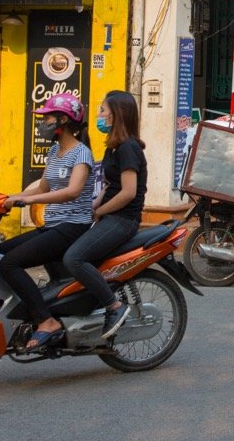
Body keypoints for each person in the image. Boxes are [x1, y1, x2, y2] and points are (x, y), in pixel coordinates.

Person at [0, 94, 95, 351]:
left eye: (47, 117)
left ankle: (46, 320)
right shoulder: (54, 150)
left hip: (73, 226)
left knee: (10, 263)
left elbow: (72, 191)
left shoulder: (81, 154)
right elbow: (43, 186)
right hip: (54, 225)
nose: (43, 122)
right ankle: (20, 310)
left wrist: (30, 201)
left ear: (63, 120)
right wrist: (9, 197)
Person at [62, 90, 148, 340]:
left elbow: (129, 192)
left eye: (102, 110)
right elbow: (113, 185)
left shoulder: (129, 148)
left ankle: (114, 306)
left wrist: (100, 210)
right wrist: (94, 206)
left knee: (74, 258)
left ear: (117, 115)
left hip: (124, 220)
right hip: (110, 215)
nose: (99, 115)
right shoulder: (114, 146)